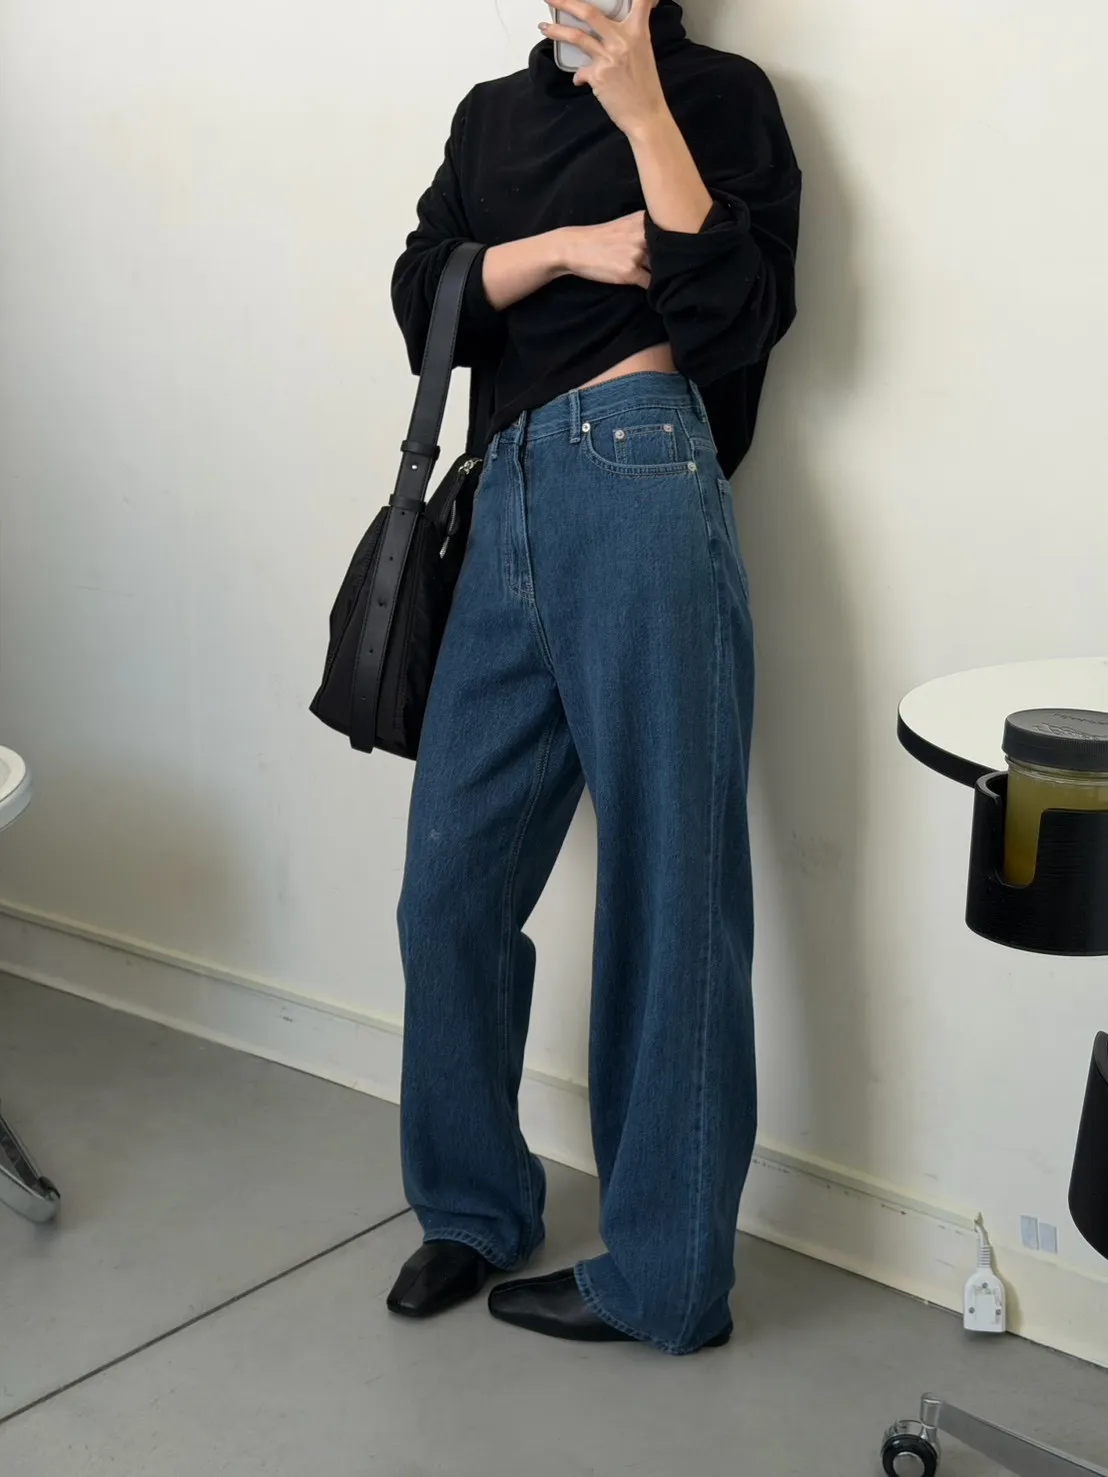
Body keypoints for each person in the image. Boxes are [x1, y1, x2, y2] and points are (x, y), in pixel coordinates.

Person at [385, 0, 800, 1355]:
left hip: (641, 469)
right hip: (499, 489)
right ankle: (472, 1205)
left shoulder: (720, 96)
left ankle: (670, 1279)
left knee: (672, 886)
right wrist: (565, 248)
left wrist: (644, 114)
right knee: (449, 883)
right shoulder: (488, 117)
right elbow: (423, 301)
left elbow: (737, 318)